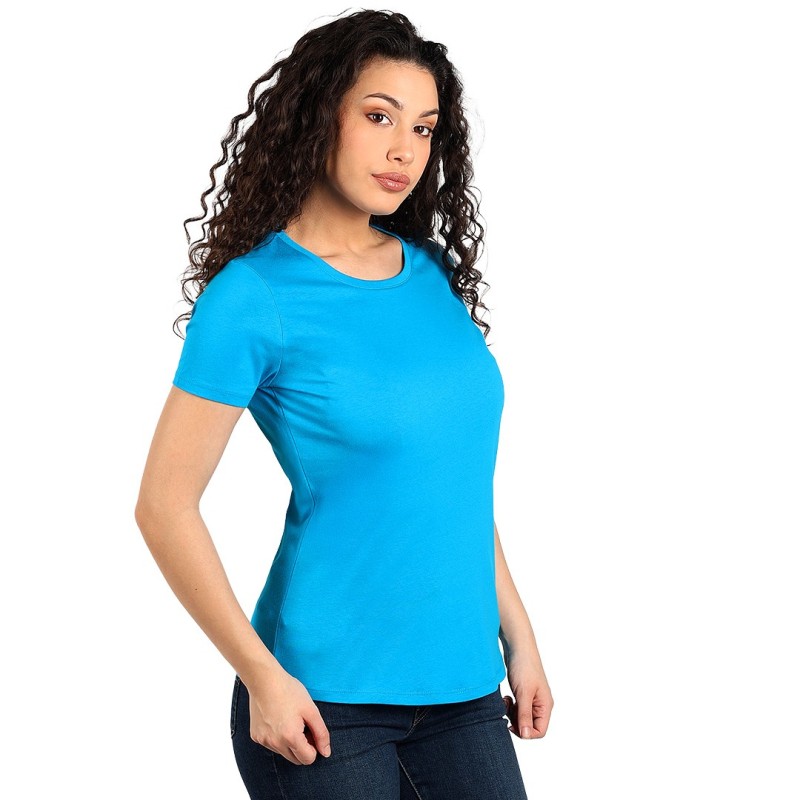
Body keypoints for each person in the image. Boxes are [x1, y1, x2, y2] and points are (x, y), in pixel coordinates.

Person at [134, 8, 553, 799]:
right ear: (317, 113)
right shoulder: (252, 296)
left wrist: (519, 636)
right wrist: (261, 676)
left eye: (424, 128)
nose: (405, 151)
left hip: (465, 691)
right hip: (321, 701)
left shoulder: (430, 276)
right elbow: (163, 505)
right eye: (379, 116)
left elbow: (449, 482)